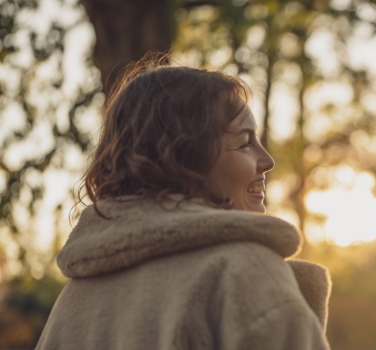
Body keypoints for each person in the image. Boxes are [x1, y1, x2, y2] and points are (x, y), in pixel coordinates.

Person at [37, 59, 331, 349]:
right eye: (244, 143)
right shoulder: (243, 274)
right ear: (183, 158)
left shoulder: (72, 303)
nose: (267, 161)